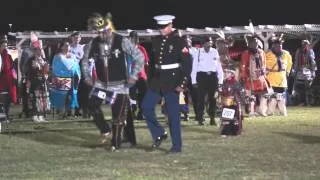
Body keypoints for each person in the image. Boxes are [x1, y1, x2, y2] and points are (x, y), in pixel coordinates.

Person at [82, 12, 144, 151]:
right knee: (91, 105)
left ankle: (116, 144)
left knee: (118, 117)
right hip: (101, 85)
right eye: (97, 33)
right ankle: (105, 129)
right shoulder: (93, 43)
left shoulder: (121, 41)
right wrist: (86, 76)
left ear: (108, 29)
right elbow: (84, 61)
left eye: (102, 32)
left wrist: (134, 75)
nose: (100, 35)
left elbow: (139, 56)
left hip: (120, 85)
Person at [142, 15, 192, 153]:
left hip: (172, 80)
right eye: (159, 27)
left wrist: (182, 83)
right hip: (157, 80)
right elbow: (153, 63)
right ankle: (159, 133)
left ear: (170, 25)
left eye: (163, 27)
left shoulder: (179, 41)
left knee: (173, 115)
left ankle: (177, 147)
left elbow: (187, 64)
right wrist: (150, 79)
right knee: (146, 107)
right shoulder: (156, 40)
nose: (161, 30)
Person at [191, 36, 224, 126]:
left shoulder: (214, 51)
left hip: (212, 77)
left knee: (212, 99)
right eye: (207, 42)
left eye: (210, 42)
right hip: (201, 77)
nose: (209, 44)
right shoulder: (198, 52)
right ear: (203, 44)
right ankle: (200, 118)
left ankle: (212, 118)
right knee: (201, 99)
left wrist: (220, 81)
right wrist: (194, 81)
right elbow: (194, 67)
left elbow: (218, 67)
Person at [240, 35, 270, 117]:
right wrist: (244, 77)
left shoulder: (262, 52)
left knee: (266, 94)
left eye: (256, 42)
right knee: (250, 96)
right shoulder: (246, 53)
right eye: (253, 43)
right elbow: (243, 66)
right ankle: (251, 112)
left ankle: (262, 110)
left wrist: (263, 71)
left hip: (260, 77)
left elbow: (264, 64)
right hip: (250, 78)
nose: (255, 44)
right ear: (249, 44)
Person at [50, 42, 81, 118]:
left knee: (71, 96)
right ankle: (62, 113)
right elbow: (55, 68)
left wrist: (78, 75)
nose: (68, 47)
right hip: (62, 79)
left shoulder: (73, 56)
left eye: (69, 46)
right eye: (66, 46)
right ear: (61, 47)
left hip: (73, 78)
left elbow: (77, 66)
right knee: (62, 97)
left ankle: (69, 112)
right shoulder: (58, 57)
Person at [265, 35, 293, 116]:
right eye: (276, 46)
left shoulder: (286, 54)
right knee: (273, 98)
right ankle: (270, 112)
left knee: (281, 98)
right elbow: (264, 65)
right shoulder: (268, 54)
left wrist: (287, 72)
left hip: (282, 81)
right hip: (271, 80)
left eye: (280, 46)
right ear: (273, 46)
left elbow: (290, 63)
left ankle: (282, 112)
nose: (278, 48)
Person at [127, 31, 150, 120]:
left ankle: (141, 113)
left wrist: (145, 76)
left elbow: (146, 63)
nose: (133, 39)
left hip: (141, 76)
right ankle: (132, 112)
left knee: (144, 95)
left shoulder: (142, 49)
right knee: (131, 96)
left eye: (134, 37)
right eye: (131, 37)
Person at [25, 47, 50, 122]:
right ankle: (35, 115)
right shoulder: (31, 60)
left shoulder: (44, 60)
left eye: (41, 50)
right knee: (35, 99)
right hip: (34, 82)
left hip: (43, 82)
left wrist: (47, 74)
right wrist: (28, 81)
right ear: (34, 51)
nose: (39, 52)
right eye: (37, 50)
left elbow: (48, 70)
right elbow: (28, 72)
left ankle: (41, 115)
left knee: (42, 99)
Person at [292, 39, 317, 106]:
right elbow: (296, 61)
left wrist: (313, 72)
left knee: (308, 87)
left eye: (306, 44)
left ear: (307, 45)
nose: (304, 45)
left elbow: (313, 62)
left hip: (308, 71)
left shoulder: (310, 51)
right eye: (303, 44)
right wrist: (295, 70)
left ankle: (309, 102)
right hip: (300, 71)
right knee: (299, 87)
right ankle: (302, 102)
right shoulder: (298, 51)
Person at [0, 35, 17, 119]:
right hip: (1, 80)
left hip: (9, 80)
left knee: (8, 99)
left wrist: (14, 76)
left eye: (6, 46)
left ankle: (7, 115)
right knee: (2, 99)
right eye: (3, 45)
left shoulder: (9, 56)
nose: (5, 47)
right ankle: (2, 116)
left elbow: (12, 67)